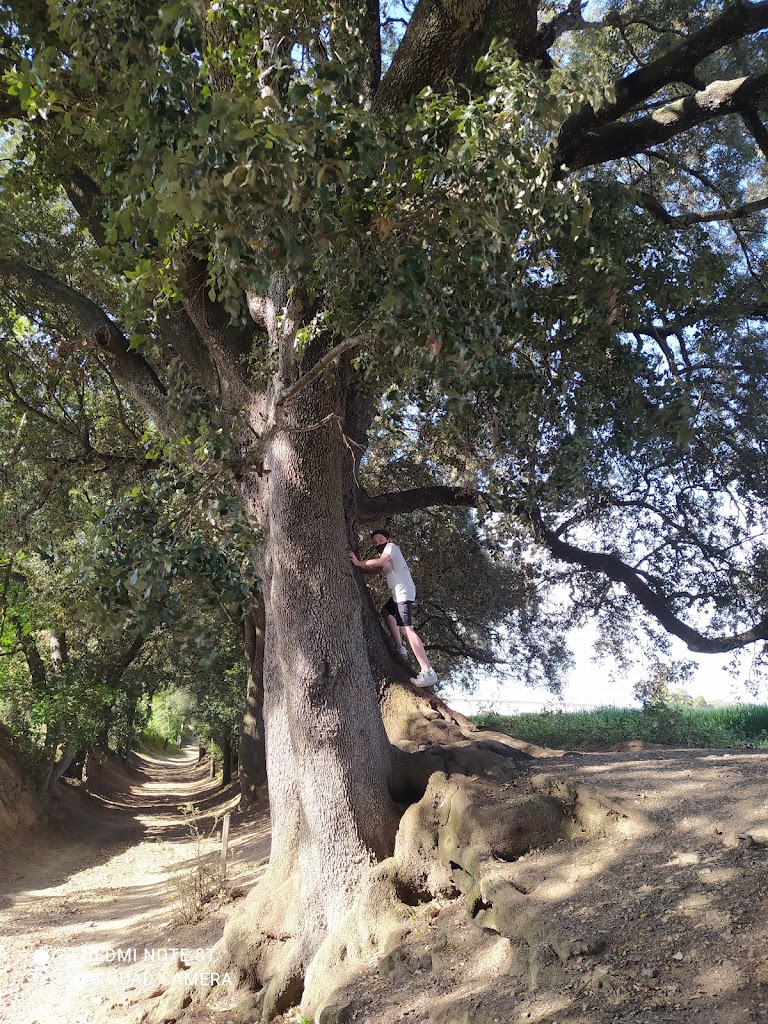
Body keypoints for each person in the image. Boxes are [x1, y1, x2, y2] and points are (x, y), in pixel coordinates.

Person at [349, 528, 438, 688]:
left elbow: (380, 563)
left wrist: (358, 562)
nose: (377, 544)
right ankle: (400, 647)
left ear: (388, 540)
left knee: (407, 629)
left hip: (403, 592)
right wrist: (359, 569)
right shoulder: (386, 555)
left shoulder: (391, 548)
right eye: (375, 542)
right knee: (386, 612)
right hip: (398, 594)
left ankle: (428, 671)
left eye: (380, 540)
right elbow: (377, 569)